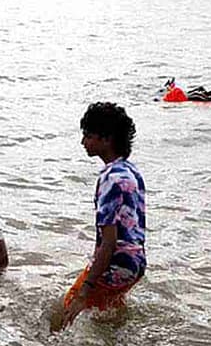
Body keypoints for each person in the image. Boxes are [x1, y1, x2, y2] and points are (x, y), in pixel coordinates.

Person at [52, 103, 146, 331]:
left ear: (106, 139)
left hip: (116, 263)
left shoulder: (109, 179)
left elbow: (109, 242)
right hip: (135, 263)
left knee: (66, 311)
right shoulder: (131, 171)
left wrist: (85, 290)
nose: (83, 142)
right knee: (107, 315)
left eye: (88, 136)